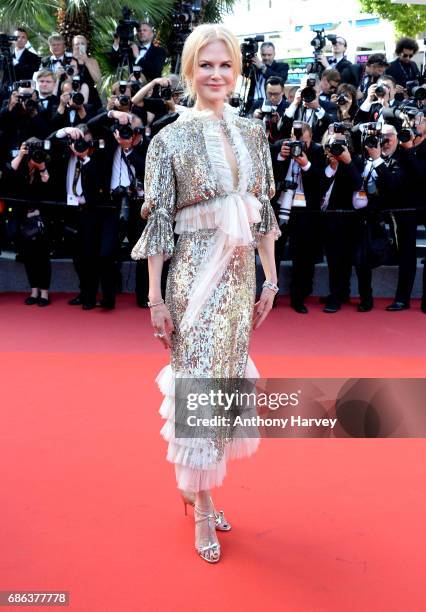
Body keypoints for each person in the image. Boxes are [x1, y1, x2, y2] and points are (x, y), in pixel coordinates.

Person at [131, 24, 280, 564]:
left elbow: (262, 211)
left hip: (242, 281)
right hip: (193, 279)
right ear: (190, 70)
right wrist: (155, 298)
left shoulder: (255, 133)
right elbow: (159, 227)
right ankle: (202, 502)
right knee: (199, 387)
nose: (216, 75)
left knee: (225, 384)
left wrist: (272, 278)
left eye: (226, 65)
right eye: (206, 65)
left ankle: (195, 486)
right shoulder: (167, 140)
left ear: (237, 71)